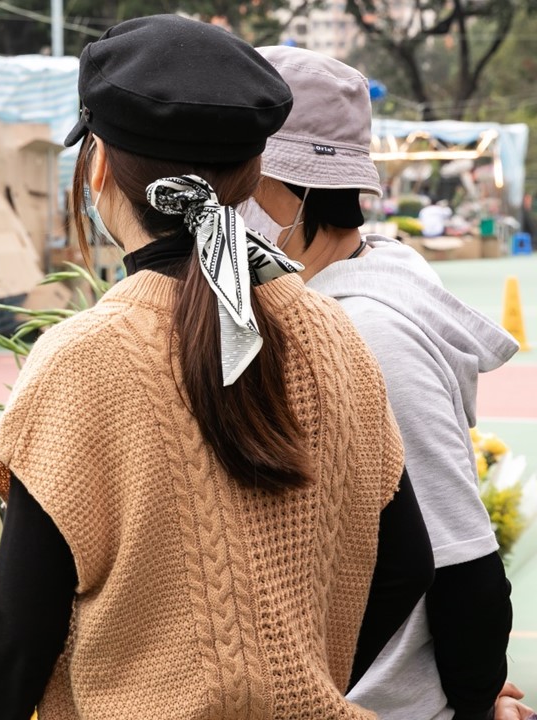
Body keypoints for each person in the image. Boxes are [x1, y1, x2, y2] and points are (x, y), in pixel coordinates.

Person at [0, 16, 431, 719]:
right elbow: (407, 563)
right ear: (251, 174)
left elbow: (16, 634)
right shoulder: (333, 331)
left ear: (95, 168)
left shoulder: (85, 358)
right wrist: (296, 678)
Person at [243, 45, 528, 720]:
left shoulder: (369, 331)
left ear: (294, 189)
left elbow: (461, 559)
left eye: (240, 180)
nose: (226, 203)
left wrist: (477, 699)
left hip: (383, 700)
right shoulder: (364, 275)